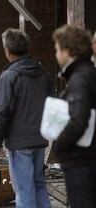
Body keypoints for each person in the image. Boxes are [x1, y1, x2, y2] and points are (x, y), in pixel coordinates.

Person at [0, 28, 52, 208]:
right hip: (40, 138)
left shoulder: (9, 76)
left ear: (7, 51)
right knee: (39, 185)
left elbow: (3, 111)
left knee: (24, 190)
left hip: (19, 141)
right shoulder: (42, 73)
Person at [52, 25, 96, 208]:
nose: (55, 54)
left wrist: (60, 146)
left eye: (57, 49)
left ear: (67, 51)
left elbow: (79, 119)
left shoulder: (80, 78)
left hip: (81, 161)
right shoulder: (87, 73)